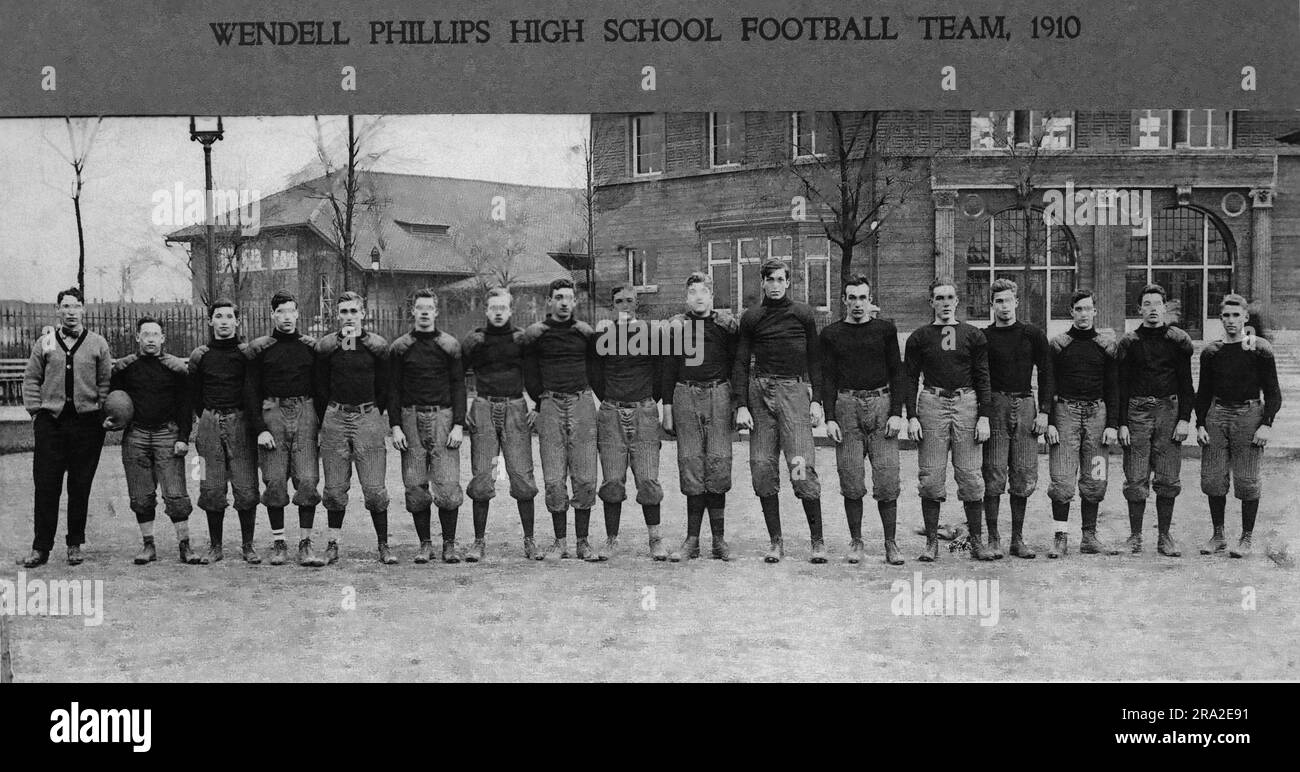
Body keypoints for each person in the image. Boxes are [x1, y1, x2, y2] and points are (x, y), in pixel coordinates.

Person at [733, 258, 826, 564]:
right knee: (762, 468)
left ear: (788, 282)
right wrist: (742, 405)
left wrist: (816, 400)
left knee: (800, 468)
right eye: (769, 279)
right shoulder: (752, 317)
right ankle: (776, 541)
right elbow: (741, 362)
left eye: (780, 280)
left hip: (794, 393)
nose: (774, 285)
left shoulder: (802, 314)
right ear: (762, 282)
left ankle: (817, 540)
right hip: (760, 395)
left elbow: (815, 359)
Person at [18, 287, 112, 567]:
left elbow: (105, 382)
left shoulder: (97, 343)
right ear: (57, 310)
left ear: (84, 309)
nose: (71, 312)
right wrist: (36, 412)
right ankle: (41, 547)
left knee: (80, 485)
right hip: (51, 424)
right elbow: (32, 378)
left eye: (76, 306)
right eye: (66, 306)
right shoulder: (45, 342)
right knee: (46, 485)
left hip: (87, 425)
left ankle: (75, 543)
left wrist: (101, 413)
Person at [820, 275, 907, 565]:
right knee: (852, 477)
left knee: (886, 476)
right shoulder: (832, 334)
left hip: (882, 405)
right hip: (847, 406)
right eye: (852, 298)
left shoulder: (885, 330)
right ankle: (856, 542)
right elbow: (827, 377)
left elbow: (898, 373)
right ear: (844, 300)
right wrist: (830, 417)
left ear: (870, 300)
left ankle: (890, 544)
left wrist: (897, 412)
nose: (858, 304)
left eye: (863, 298)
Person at [904, 278, 993, 562]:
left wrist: (984, 417)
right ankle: (932, 542)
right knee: (930, 477)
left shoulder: (973, 335)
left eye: (949, 298)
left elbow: (983, 378)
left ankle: (976, 542)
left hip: (966, 403)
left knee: (970, 476)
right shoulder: (919, 337)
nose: (944, 303)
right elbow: (909, 379)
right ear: (931, 302)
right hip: (932, 402)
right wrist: (912, 417)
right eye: (939, 298)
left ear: (957, 302)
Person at [1195, 293, 1282, 559]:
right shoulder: (1212, 352)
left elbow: (1274, 393)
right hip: (1218, 414)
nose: (1231, 321)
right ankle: (1218, 535)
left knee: (1247, 480)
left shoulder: (1259, 348)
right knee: (1213, 479)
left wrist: (1266, 423)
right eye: (1226, 315)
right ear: (1220, 318)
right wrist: (1200, 423)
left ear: (1245, 317)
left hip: (1249, 414)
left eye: (1236, 315)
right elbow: (1203, 392)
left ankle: (1246, 537)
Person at [109, 316, 199, 565]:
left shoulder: (177, 368)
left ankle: (185, 545)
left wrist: (183, 437)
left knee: (176, 494)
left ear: (163, 338)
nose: (150, 339)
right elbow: (112, 400)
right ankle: (148, 545)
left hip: (166, 433)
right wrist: (109, 420)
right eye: (145, 334)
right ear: (138, 337)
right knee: (141, 495)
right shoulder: (124, 368)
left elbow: (185, 407)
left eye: (155, 334)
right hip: (136, 434)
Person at [661, 272, 738, 561]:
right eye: (693, 292)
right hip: (685, 394)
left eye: (703, 291)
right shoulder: (677, 327)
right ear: (686, 298)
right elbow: (668, 367)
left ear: (712, 296)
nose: (698, 297)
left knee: (718, 464)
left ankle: (718, 539)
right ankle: (692, 540)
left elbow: (737, 365)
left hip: (718, 394)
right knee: (691, 464)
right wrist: (667, 407)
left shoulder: (726, 327)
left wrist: (736, 403)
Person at [522, 278, 599, 560]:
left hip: (581, 403)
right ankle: (559, 541)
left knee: (586, 477)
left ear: (575, 302)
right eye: (559, 297)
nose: (564, 302)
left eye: (569, 297)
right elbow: (529, 372)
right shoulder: (536, 334)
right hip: (550, 405)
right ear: (550, 301)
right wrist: (540, 401)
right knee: (554, 478)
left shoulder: (585, 333)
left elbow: (596, 369)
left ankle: (583, 541)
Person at [314, 291, 393, 564]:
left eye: (353, 311)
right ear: (337, 315)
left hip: (367, 417)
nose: (349, 317)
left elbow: (386, 385)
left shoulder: (377, 346)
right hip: (336, 418)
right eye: (343, 312)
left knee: (374, 488)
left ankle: (383, 545)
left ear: (363, 313)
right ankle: (333, 544)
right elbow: (320, 385)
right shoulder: (327, 347)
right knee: (335, 488)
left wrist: (373, 413)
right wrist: (331, 414)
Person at [245, 290, 323, 567]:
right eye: (281, 312)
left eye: (291, 311)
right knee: (274, 480)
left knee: (307, 479)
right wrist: (260, 429)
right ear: (272, 314)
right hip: (273, 414)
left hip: (304, 412)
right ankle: (279, 543)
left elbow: (321, 388)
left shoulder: (311, 347)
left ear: (298, 313)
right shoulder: (260, 348)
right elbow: (250, 391)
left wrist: (321, 425)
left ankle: (305, 543)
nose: (287, 317)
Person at [462, 288, 541, 559]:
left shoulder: (521, 339)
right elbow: (453, 375)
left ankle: (529, 540)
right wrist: (463, 409)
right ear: (486, 310)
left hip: (515, 406)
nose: (498, 312)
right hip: (483, 405)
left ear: (510, 310)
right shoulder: (476, 340)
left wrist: (538, 406)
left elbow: (536, 373)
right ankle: (478, 541)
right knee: (483, 475)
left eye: (503, 308)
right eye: (493, 307)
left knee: (521, 475)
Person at [1116, 283, 1194, 557]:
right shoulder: (1129, 342)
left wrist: (1185, 419)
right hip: (1137, 413)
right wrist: (1122, 422)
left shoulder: (1178, 341)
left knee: (1168, 477)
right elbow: (1121, 386)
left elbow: (1187, 384)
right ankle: (1135, 536)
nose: (1152, 309)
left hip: (1169, 413)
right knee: (1135, 476)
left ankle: (1164, 536)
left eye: (1157, 304)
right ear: (1139, 309)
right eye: (1146, 304)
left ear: (1165, 308)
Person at [389, 288, 466, 564]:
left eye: (428, 308)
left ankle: (449, 545)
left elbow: (459, 386)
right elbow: (393, 389)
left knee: (446, 486)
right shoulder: (400, 347)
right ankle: (424, 544)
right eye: (419, 307)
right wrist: (395, 426)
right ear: (413, 311)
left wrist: (458, 425)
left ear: (436, 312)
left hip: (443, 418)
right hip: (410, 418)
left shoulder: (450, 345)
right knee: (415, 485)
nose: (423, 312)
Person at [980, 278, 1053, 559]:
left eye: (1008, 300)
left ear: (1017, 303)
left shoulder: (1032, 334)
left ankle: (1017, 539)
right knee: (994, 473)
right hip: (996, 405)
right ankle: (994, 538)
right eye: (998, 301)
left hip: (1025, 404)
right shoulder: (984, 337)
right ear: (992, 305)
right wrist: (984, 415)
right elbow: (981, 378)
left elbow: (1047, 372)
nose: (1004, 306)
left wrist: (1044, 411)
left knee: (1023, 474)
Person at [591, 285, 666, 561]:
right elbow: (595, 373)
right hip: (611, 412)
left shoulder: (651, 334)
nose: (624, 305)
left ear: (637, 304)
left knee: (647, 479)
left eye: (629, 301)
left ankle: (655, 539)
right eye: (619, 301)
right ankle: (611, 541)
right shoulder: (603, 335)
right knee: (612, 480)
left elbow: (660, 372)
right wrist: (612, 398)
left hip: (643, 411)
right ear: (613, 305)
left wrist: (646, 400)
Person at [1045, 289, 1119, 558]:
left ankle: (1089, 536)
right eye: (1079, 309)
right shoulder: (1058, 345)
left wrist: (1113, 423)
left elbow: (1114, 387)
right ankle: (1060, 536)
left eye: (1088, 308)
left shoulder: (1106, 346)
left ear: (1095, 311)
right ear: (1071, 312)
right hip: (1066, 412)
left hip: (1097, 415)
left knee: (1095, 479)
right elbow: (1048, 385)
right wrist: (1050, 420)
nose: (1084, 314)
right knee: (1062, 480)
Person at [188, 298, 261, 564]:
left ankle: (248, 545)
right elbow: (193, 393)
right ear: (210, 321)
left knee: (246, 486)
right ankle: (215, 546)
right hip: (209, 423)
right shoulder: (201, 355)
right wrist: (208, 416)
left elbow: (254, 390)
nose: (224, 321)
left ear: (237, 321)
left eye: (229, 316)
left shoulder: (246, 353)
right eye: (218, 316)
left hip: (240, 423)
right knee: (210, 486)